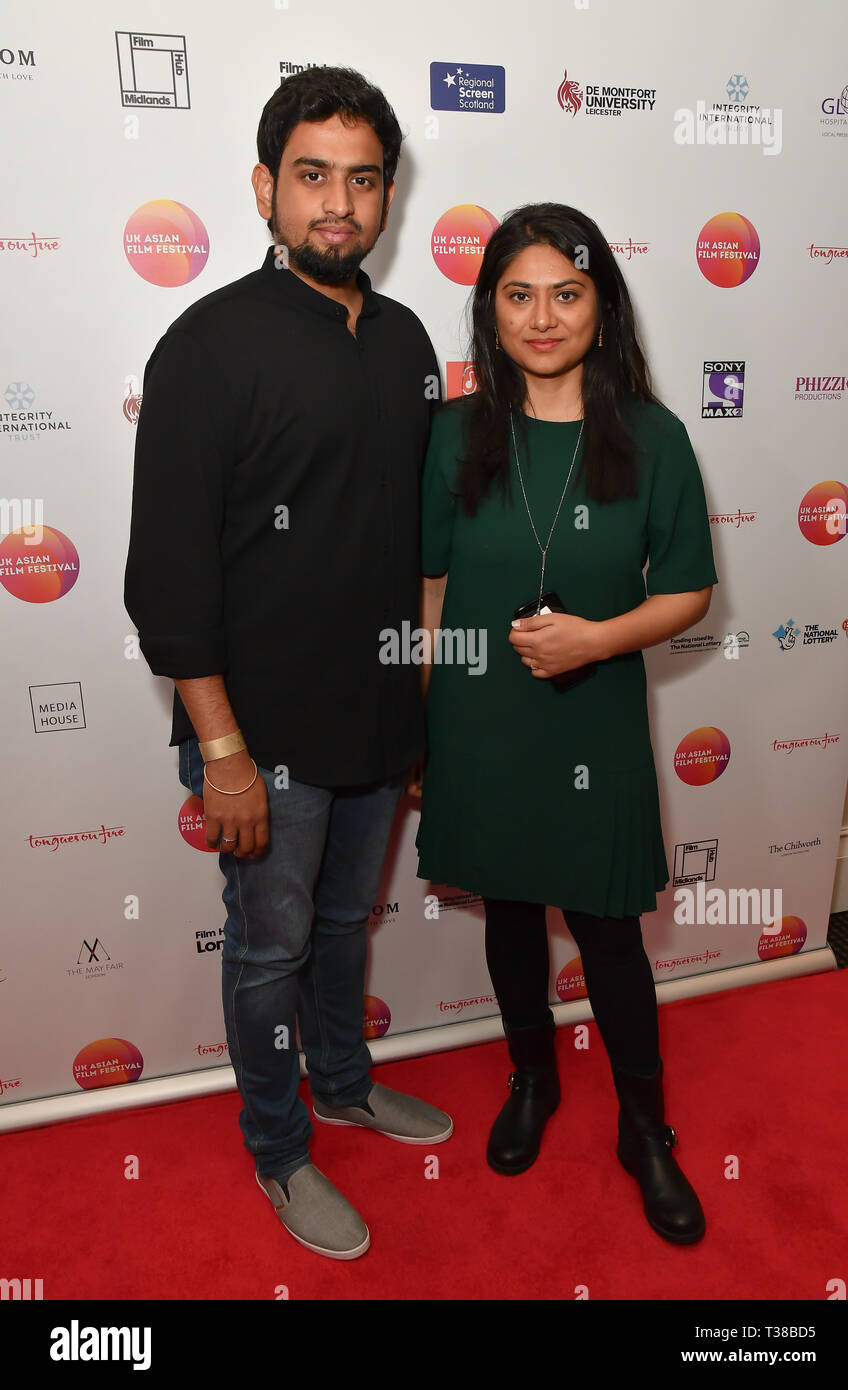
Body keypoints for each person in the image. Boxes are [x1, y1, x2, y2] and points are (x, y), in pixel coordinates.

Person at [124, 66, 452, 1263]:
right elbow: (164, 581)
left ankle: (347, 1085)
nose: (339, 205)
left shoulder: (410, 338)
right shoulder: (206, 346)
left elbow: (419, 545)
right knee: (268, 946)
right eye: (312, 176)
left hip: (379, 716)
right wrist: (222, 752)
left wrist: (420, 690)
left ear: (387, 196)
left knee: (342, 925)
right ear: (265, 186)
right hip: (259, 738)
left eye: (362, 180)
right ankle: (278, 1146)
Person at [411, 203, 718, 1245]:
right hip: (477, 721)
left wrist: (593, 641)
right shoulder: (453, 433)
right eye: (518, 294)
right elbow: (430, 586)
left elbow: (685, 594)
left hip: (590, 720)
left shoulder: (653, 435)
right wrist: (421, 721)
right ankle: (531, 1081)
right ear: (489, 308)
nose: (542, 317)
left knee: (607, 931)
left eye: (566, 292)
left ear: (601, 305)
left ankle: (644, 1129)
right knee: (505, 913)